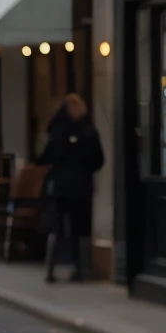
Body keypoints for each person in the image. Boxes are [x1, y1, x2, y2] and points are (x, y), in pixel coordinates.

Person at [39, 92, 104, 284]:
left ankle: (51, 269)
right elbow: (98, 160)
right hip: (82, 185)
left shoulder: (57, 131)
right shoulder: (88, 131)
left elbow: (46, 157)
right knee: (80, 228)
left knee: (57, 228)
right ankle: (81, 270)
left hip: (61, 185)